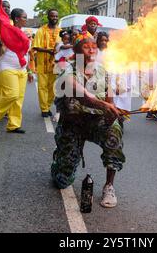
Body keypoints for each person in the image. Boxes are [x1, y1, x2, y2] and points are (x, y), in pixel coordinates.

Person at [52, 36, 125, 209]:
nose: (92, 50)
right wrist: (103, 105)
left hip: (96, 122)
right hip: (73, 124)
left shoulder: (102, 70)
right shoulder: (67, 71)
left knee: (114, 131)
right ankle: (60, 162)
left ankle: (109, 186)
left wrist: (112, 112)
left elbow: (109, 97)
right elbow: (81, 94)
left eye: (94, 47)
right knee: (62, 181)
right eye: (86, 47)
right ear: (77, 52)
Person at [0, 8, 32, 134]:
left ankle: (13, 125)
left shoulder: (25, 34)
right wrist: (1, 45)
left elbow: (26, 54)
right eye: (24, 17)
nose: (26, 20)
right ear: (16, 19)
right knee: (12, 94)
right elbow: (1, 51)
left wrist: (29, 71)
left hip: (21, 69)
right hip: (7, 67)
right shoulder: (7, 33)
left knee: (18, 99)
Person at [34, 9, 61, 118]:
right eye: (52, 16)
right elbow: (35, 46)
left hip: (56, 65)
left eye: (56, 16)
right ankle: (44, 109)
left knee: (53, 88)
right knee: (42, 87)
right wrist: (48, 51)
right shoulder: (41, 30)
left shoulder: (60, 31)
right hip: (43, 64)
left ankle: (48, 106)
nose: (54, 18)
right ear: (48, 17)